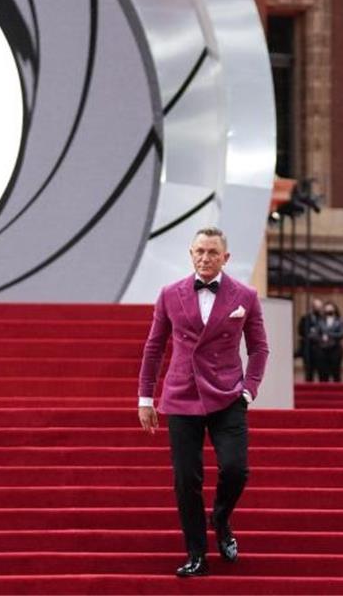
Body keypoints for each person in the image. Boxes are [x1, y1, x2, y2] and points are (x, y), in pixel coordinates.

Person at [136, 227, 269, 578]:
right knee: (186, 479)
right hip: (181, 394)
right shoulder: (169, 294)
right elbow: (154, 347)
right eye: (199, 251)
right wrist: (145, 397)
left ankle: (221, 518)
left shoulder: (246, 295)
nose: (205, 258)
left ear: (225, 258)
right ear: (190, 253)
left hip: (228, 396)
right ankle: (196, 554)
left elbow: (259, 348)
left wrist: (248, 390)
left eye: (212, 252)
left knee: (236, 469)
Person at [315, 301, 343, 382]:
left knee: (336, 373)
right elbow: (316, 334)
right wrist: (320, 338)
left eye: (331, 309)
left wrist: (330, 334)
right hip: (322, 349)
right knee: (323, 373)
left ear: (335, 310)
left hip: (335, 349)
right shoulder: (320, 321)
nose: (329, 311)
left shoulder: (340, 321)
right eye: (327, 309)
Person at [297, 299, 324, 382]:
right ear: (313, 307)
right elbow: (300, 331)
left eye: (320, 307)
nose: (318, 309)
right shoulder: (305, 318)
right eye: (317, 307)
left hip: (320, 348)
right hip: (308, 348)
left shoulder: (323, 318)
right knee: (309, 371)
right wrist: (309, 335)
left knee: (322, 371)